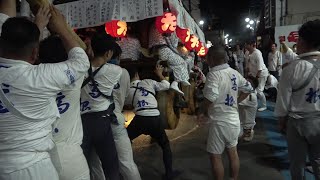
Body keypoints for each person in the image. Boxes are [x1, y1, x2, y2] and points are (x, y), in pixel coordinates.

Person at [0, 3, 90, 180]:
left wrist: (39, 28)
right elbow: (81, 62)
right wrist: (61, 27)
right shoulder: (42, 77)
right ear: (34, 54)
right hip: (33, 168)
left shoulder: (39, 75)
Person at [197, 45, 253, 180]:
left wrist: (201, 111)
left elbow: (211, 97)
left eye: (207, 58)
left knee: (215, 156)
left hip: (219, 121)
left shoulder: (213, 74)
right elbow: (249, 88)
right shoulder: (234, 72)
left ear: (212, 59)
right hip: (234, 120)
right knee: (232, 152)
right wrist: (236, 101)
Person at [38, 35, 90, 180]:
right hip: (71, 157)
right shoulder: (77, 74)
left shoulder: (30, 77)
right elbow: (82, 53)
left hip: (39, 157)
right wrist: (60, 26)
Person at [275, 19, 320, 180]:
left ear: (302, 41)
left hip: (297, 123)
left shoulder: (291, 69)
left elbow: (282, 103)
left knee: (297, 164)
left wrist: (281, 123)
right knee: (318, 162)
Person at [89, 43, 141, 180]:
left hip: (94, 123)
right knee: (126, 163)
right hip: (115, 119)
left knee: (97, 165)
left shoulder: (86, 70)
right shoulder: (122, 73)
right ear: (111, 54)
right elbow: (123, 97)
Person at [126, 65, 180, 180]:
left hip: (140, 119)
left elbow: (124, 103)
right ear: (136, 75)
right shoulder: (148, 82)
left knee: (125, 140)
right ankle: (169, 173)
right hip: (155, 118)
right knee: (165, 145)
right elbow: (166, 85)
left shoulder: (127, 90)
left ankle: (127, 167)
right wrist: (159, 73)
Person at [80, 33, 122, 180]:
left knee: (83, 164)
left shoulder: (79, 68)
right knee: (110, 165)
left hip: (82, 123)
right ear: (109, 53)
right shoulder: (116, 71)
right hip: (102, 122)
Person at [149, 24, 190, 96]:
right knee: (183, 62)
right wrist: (179, 54)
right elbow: (172, 46)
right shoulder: (168, 26)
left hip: (155, 51)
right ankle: (176, 82)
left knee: (176, 64)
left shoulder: (154, 25)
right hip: (164, 51)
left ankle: (181, 80)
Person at [246, 40, 269, 111]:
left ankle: (264, 106)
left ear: (251, 45)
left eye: (247, 45)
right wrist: (248, 73)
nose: (246, 46)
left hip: (261, 74)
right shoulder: (247, 53)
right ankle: (250, 103)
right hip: (254, 74)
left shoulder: (257, 53)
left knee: (258, 91)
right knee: (251, 90)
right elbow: (248, 64)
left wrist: (256, 78)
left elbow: (260, 68)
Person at [238, 75, 259, 142]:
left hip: (245, 127)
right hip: (242, 123)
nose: (244, 83)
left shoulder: (251, 96)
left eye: (247, 82)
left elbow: (234, 102)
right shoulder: (249, 93)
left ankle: (248, 133)